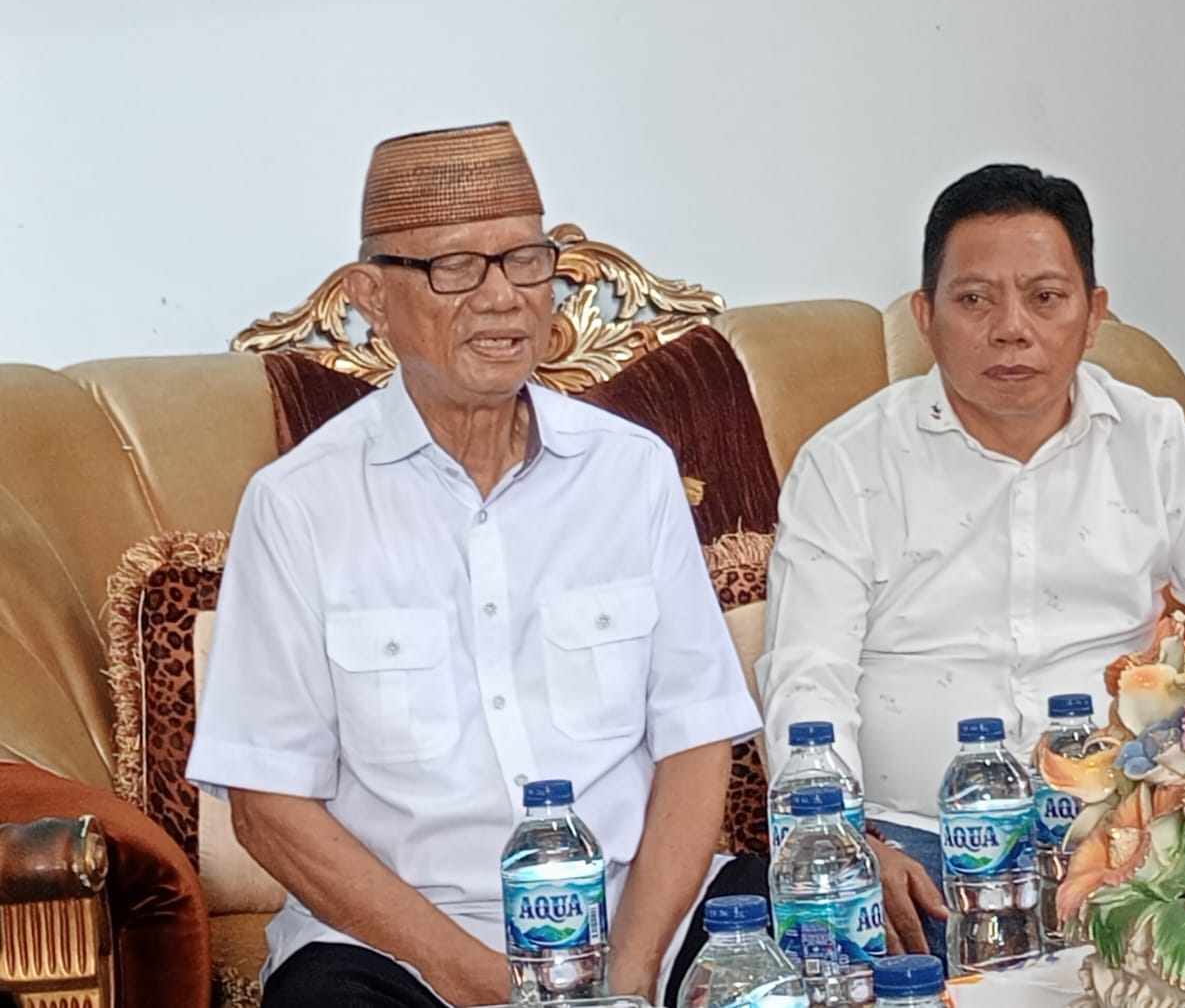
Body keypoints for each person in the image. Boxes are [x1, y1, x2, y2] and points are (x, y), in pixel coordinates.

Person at [187, 123, 762, 1008]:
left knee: (804, 949)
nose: (503, 299)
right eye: (456, 269)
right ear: (371, 297)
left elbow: (695, 737)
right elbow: (270, 808)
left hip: (635, 917)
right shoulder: (298, 504)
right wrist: (482, 983)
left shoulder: (631, 469)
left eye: (526, 261)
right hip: (401, 946)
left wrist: (635, 977)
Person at [756, 164, 1185, 965]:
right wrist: (843, 846)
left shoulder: (1154, 440)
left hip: (1127, 844)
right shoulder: (848, 462)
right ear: (926, 315)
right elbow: (806, 675)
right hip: (916, 856)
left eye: (1044, 296)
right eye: (974, 299)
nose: (1010, 328)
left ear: (1093, 313)